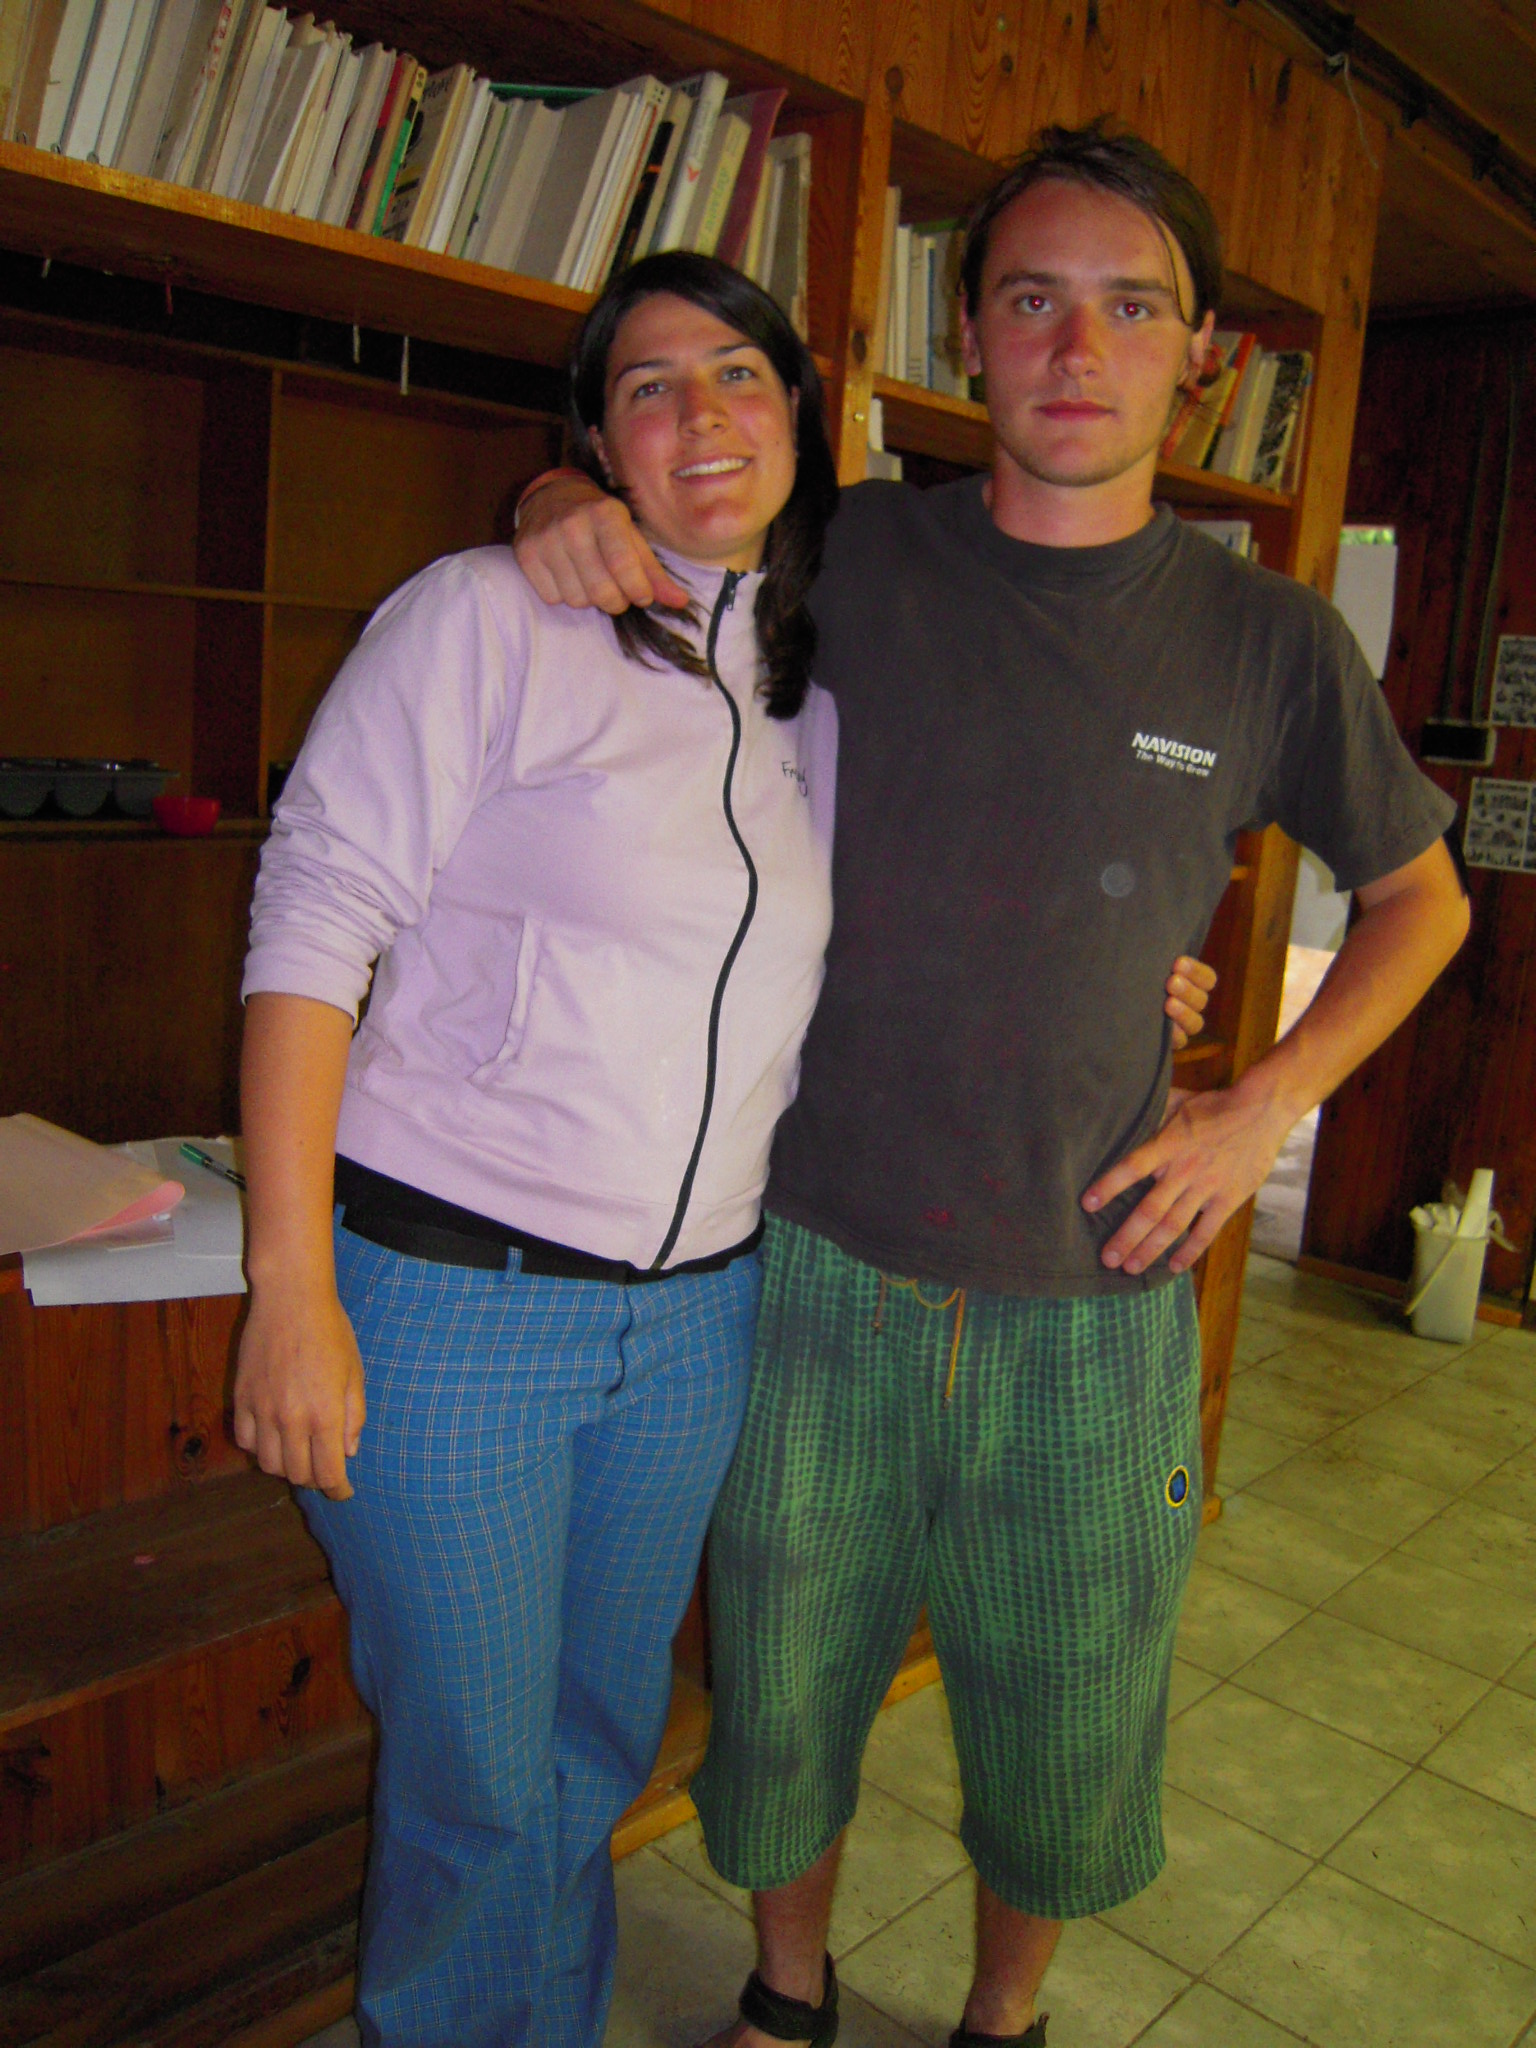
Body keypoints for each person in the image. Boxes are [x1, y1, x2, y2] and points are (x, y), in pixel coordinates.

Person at [513, 124, 1469, 2048]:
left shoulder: (1270, 639)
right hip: (812, 1263)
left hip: (1098, 1288)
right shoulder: (852, 547)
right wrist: (550, 488)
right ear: (969, 331)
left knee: (1066, 1711)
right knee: (785, 1683)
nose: (1076, 348)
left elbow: (1423, 901)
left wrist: (1260, 1104)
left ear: (1201, 354)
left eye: (1132, 308)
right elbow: (656, 502)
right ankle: (788, 1989)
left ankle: (1002, 2021)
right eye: (1033, 299)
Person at [232, 252, 845, 2048]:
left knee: (595, 1745)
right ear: (595, 441)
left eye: (739, 373)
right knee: (479, 1783)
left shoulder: (805, 693)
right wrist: (289, 1289)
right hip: (452, 1304)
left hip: (697, 1318)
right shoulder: (483, 618)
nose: (701, 415)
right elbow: (312, 921)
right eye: (649, 388)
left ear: (801, 415)